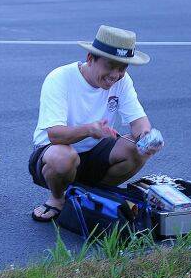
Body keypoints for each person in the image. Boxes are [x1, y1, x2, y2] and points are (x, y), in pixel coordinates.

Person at [29, 25, 164, 222]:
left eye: (122, 68)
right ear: (90, 59)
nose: (115, 75)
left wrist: (147, 138)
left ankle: (89, 195)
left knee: (136, 150)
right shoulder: (60, 78)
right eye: (110, 66)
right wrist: (89, 129)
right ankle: (57, 199)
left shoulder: (122, 81)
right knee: (63, 157)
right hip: (52, 155)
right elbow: (54, 135)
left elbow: (138, 121)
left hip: (95, 151)